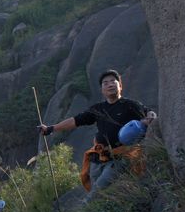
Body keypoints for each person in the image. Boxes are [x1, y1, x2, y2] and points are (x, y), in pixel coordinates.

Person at [38, 69, 157, 199]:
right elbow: (76, 120)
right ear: (102, 89)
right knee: (99, 190)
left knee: (96, 193)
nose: (110, 84)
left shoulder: (129, 105)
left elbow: (149, 113)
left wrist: (150, 117)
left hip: (120, 158)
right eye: (105, 83)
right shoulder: (98, 109)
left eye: (113, 81)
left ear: (120, 86)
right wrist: (51, 129)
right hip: (99, 158)